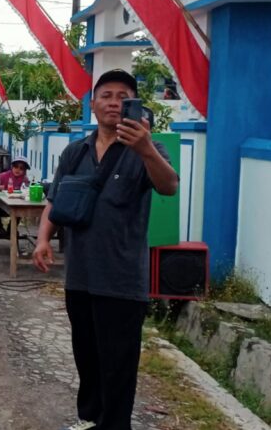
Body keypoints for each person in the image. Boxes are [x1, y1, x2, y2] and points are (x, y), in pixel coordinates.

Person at [33, 69, 177, 430]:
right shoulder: (75, 152)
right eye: (107, 95)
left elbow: (169, 186)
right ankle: (90, 418)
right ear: (93, 104)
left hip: (123, 279)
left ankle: (114, 425)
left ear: (133, 105)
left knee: (118, 362)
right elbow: (55, 200)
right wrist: (42, 239)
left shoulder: (148, 148)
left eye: (123, 96)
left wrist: (144, 149)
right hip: (79, 275)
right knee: (87, 355)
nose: (114, 102)